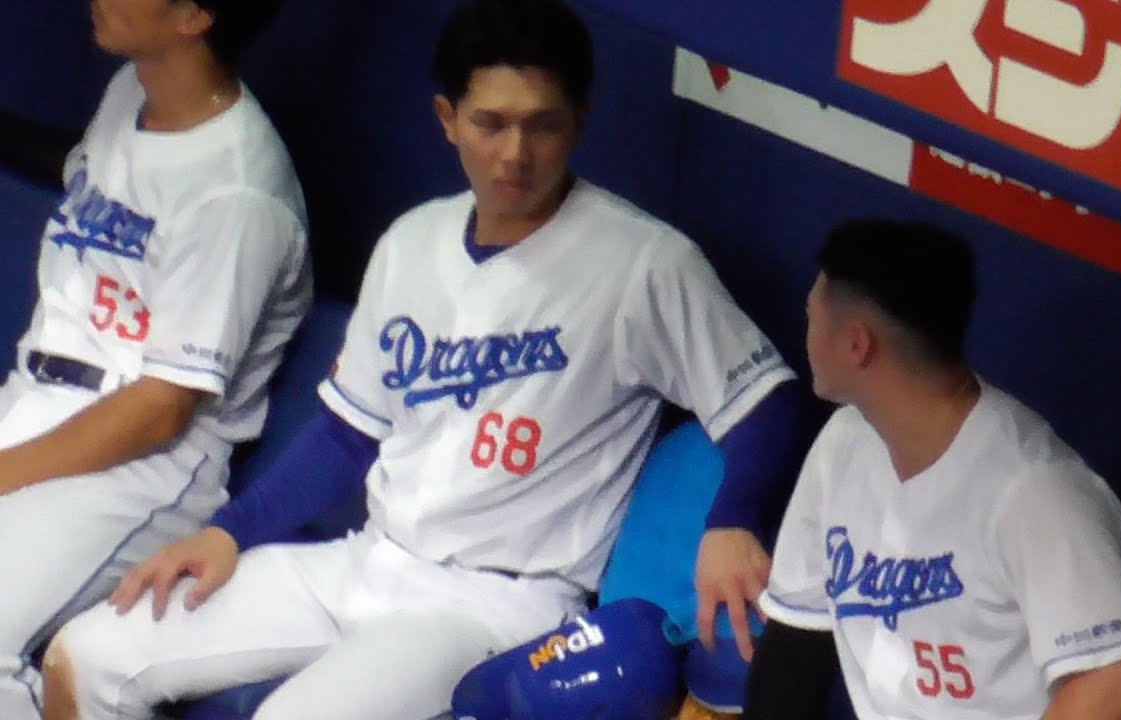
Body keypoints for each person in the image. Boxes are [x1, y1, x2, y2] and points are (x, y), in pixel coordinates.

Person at [42, 1, 809, 718]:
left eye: (542, 125)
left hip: (496, 602)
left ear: (580, 120)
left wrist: (732, 522)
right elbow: (346, 435)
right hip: (368, 560)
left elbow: (768, 401)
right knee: (88, 655)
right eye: (491, 123)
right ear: (448, 120)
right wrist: (228, 532)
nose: (515, 153)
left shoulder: (646, 265)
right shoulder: (413, 241)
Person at [0, 1, 309, 718]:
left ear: (195, 15)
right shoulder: (130, 92)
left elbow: (162, 408)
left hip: (143, 465)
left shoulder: (238, 190)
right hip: (39, 398)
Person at [745, 221, 1121, 720]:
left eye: (812, 317)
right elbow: (795, 644)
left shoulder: (1035, 490)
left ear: (857, 345)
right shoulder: (844, 443)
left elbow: (1119, 679)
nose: (806, 333)